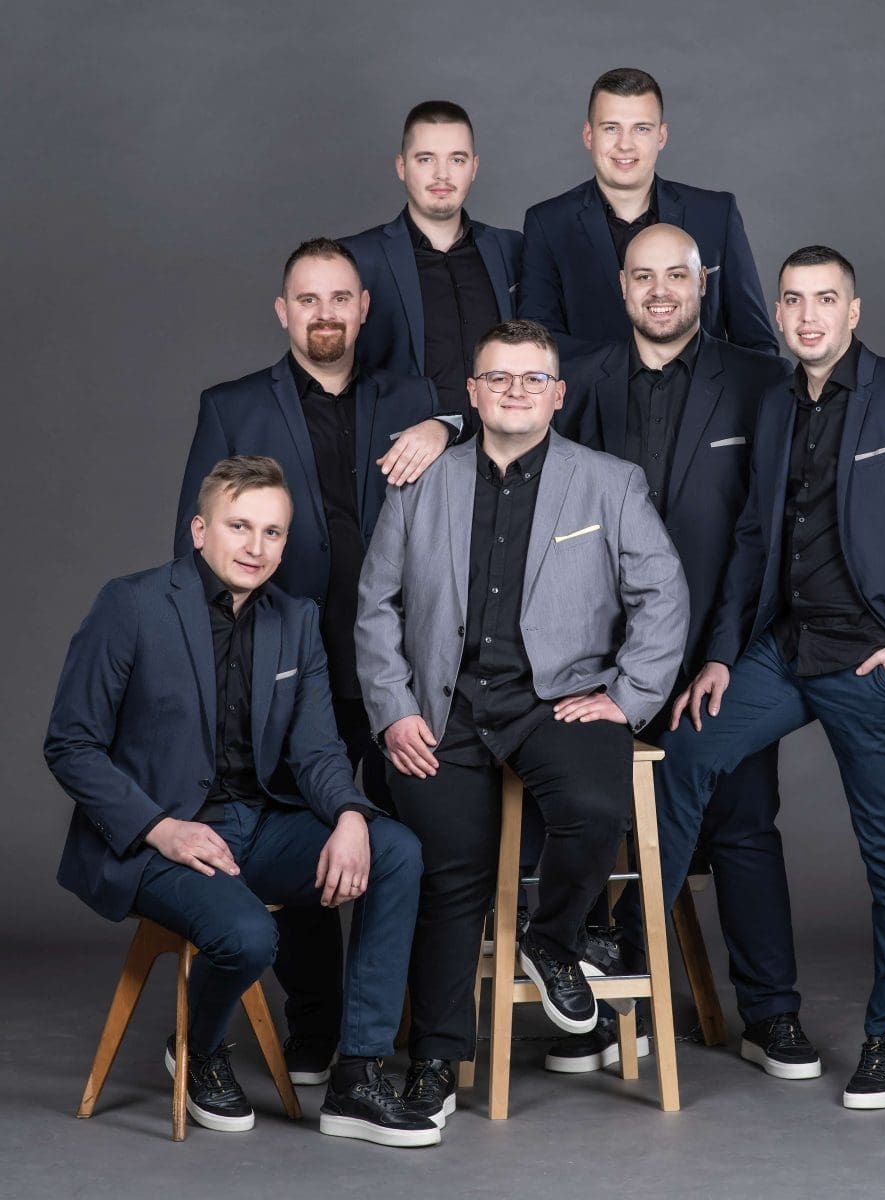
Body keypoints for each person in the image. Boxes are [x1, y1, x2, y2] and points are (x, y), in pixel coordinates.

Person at [657, 246, 885, 1109]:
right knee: (684, 753)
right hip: (783, 649)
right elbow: (752, 542)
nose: (808, 316)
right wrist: (721, 654)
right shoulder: (775, 402)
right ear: (776, 312)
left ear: (853, 311)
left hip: (873, 662)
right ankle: (630, 948)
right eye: (793, 300)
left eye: (825, 299)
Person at [355, 319, 689, 1130]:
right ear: (472, 394)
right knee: (449, 878)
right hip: (443, 705)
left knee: (595, 810)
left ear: (557, 394)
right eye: (498, 377)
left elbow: (663, 594)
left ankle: (552, 938)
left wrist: (629, 696)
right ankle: (436, 1061)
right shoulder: (423, 482)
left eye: (532, 378)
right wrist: (394, 709)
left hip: (559, 699)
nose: (515, 390)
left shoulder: (609, 482)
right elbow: (375, 606)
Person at [46, 457, 438, 1145]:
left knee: (396, 850)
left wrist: (351, 815)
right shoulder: (132, 605)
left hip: (256, 826)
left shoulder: (296, 619)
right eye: (239, 527)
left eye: (273, 532)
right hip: (158, 838)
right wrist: (160, 829)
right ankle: (196, 1048)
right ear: (200, 531)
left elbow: (316, 751)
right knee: (251, 936)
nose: (256, 547)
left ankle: (357, 1077)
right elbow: (71, 744)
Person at [174, 237, 458, 1088]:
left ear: (364, 308)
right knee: (301, 832)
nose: (325, 313)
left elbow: (497, 418)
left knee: (410, 844)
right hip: (284, 665)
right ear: (283, 311)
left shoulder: (414, 396)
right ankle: (315, 1025)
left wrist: (447, 425)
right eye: (308, 299)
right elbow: (196, 552)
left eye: (340, 298)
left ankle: (403, 1028)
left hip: (400, 664)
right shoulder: (231, 405)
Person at [542, 223, 812, 1078]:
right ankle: (607, 1015)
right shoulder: (579, 378)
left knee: (742, 827)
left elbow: (760, 536)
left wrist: (723, 651)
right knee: (590, 826)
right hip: (599, 663)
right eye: (642, 277)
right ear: (621, 288)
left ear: (703, 284)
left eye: (676, 276)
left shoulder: (759, 380)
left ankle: (770, 1014)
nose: (659, 291)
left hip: (716, 655)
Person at [519, 67, 776, 362]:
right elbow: (538, 344)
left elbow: (757, 345)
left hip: (704, 392)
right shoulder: (548, 224)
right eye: (611, 128)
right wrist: (627, 370)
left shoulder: (716, 214)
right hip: (591, 392)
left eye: (641, 128)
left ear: (661, 136)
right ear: (589, 135)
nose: (625, 144)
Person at [341, 100, 522, 426]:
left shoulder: (512, 249)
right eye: (426, 159)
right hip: (404, 448)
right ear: (401, 166)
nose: (442, 174)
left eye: (457, 159)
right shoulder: (356, 259)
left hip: (505, 446)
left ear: (474, 167)